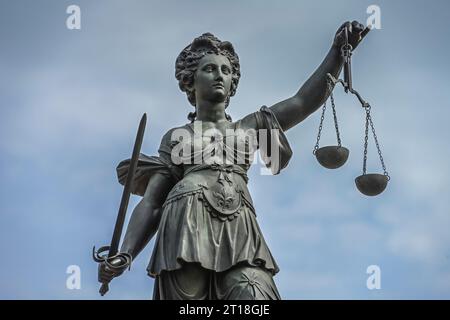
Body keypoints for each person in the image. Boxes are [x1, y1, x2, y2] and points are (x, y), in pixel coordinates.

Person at [98, 21, 367, 300]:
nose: (219, 76)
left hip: (240, 227)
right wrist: (126, 253)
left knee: (254, 292)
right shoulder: (177, 138)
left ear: (232, 82)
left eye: (226, 70)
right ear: (191, 79)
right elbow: (152, 203)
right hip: (184, 229)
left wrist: (336, 53)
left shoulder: (251, 126)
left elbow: (302, 102)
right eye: (210, 69)